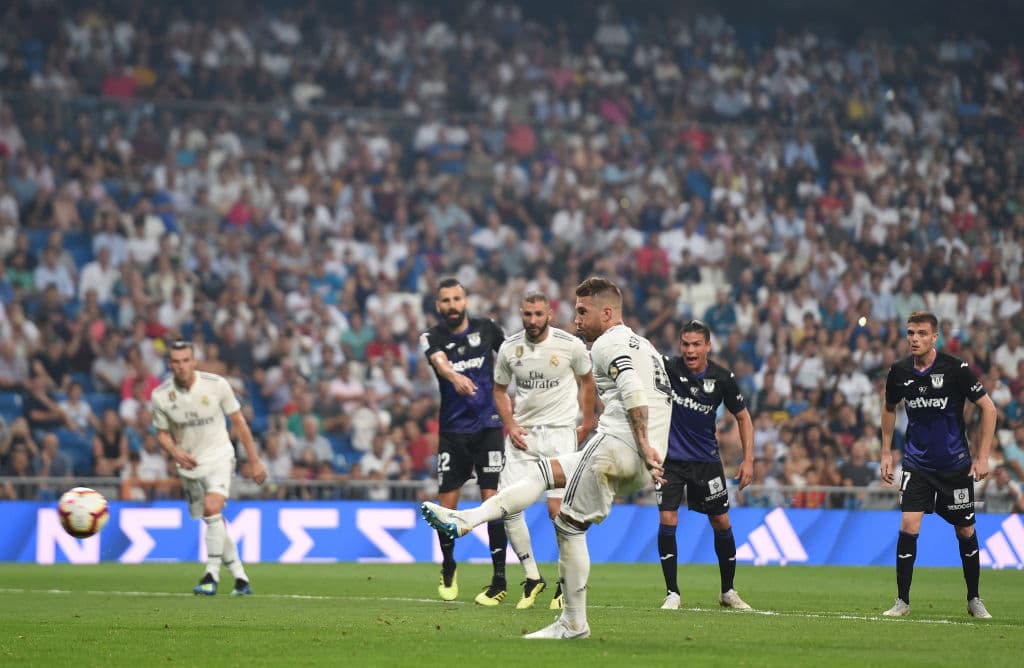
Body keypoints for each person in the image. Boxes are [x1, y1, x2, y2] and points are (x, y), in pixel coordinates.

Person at [421, 276, 671, 639]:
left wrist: (644, 443)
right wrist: (654, 448)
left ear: (607, 312)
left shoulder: (604, 345)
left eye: (583, 312)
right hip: (634, 453)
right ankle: (466, 520)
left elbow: (632, 387)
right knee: (541, 475)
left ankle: (572, 623)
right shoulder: (645, 346)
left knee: (567, 524)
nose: (577, 319)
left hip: (619, 448)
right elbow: (662, 396)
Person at [880, 311, 996, 618]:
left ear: (935, 337)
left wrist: (982, 455)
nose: (914, 339)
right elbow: (889, 408)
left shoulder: (955, 369)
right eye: (910, 333)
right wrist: (885, 451)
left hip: (954, 467)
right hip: (917, 464)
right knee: (908, 524)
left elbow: (989, 408)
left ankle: (974, 599)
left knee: (966, 531)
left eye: (921, 333)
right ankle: (902, 601)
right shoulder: (899, 371)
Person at [492, 293, 596, 610]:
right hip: (524, 438)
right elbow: (499, 390)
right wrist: (510, 425)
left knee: (559, 512)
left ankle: (566, 584)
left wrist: (587, 422)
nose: (533, 320)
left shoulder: (570, 345)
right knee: (508, 506)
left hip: (559, 436)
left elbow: (588, 382)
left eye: (538, 314)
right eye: (527, 314)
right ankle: (533, 577)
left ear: (549, 314)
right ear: (520, 314)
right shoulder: (510, 348)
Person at [150, 340, 267, 596]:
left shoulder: (216, 385)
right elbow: (161, 434)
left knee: (212, 507)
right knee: (214, 521)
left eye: (186, 360)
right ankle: (240, 578)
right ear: (170, 364)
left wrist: (254, 459)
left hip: (219, 456)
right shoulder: (160, 396)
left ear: (194, 362)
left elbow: (239, 422)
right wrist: (175, 452)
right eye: (176, 362)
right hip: (189, 464)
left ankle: (210, 575)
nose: (181, 366)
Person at [419, 278, 508, 604]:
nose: (453, 305)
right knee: (447, 506)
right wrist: (455, 376)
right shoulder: (432, 336)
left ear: (466, 300)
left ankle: (499, 576)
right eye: (446, 301)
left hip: (489, 427)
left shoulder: (489, 329)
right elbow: (440, 361)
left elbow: (512, 356)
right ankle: (448, 564)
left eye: (457, 299)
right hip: (453, 432)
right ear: (438, 305)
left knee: (493, 502)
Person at [656, 319, 755, 611]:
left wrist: (748, 459)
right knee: (667, 519)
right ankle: (672, 593)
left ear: (708, 347)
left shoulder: (722, 378)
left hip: (706, 461)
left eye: (696, 344)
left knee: (721, 522)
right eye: (685, 344)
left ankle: (728, 591)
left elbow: (743, 417)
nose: (690, 350)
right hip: (670, 461)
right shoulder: (668, 368)